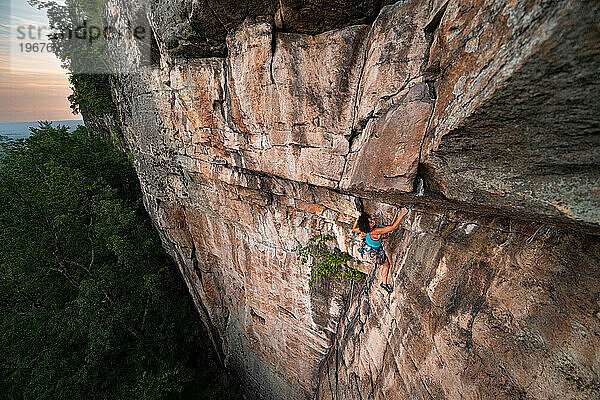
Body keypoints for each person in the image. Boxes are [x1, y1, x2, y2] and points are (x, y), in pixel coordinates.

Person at [352, 208, 408, 293]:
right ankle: (384, 283)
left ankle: (384, 283)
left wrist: (358, 218)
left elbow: (353, 228)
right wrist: (402, 214)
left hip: (371, 250)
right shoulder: (375, 231)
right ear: (368, 226)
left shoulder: (363, 229)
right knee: (386, 265)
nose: (373, 221)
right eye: (371, 222)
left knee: (386, 264)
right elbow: (393, 227)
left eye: (371, 220)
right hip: (376, 253)